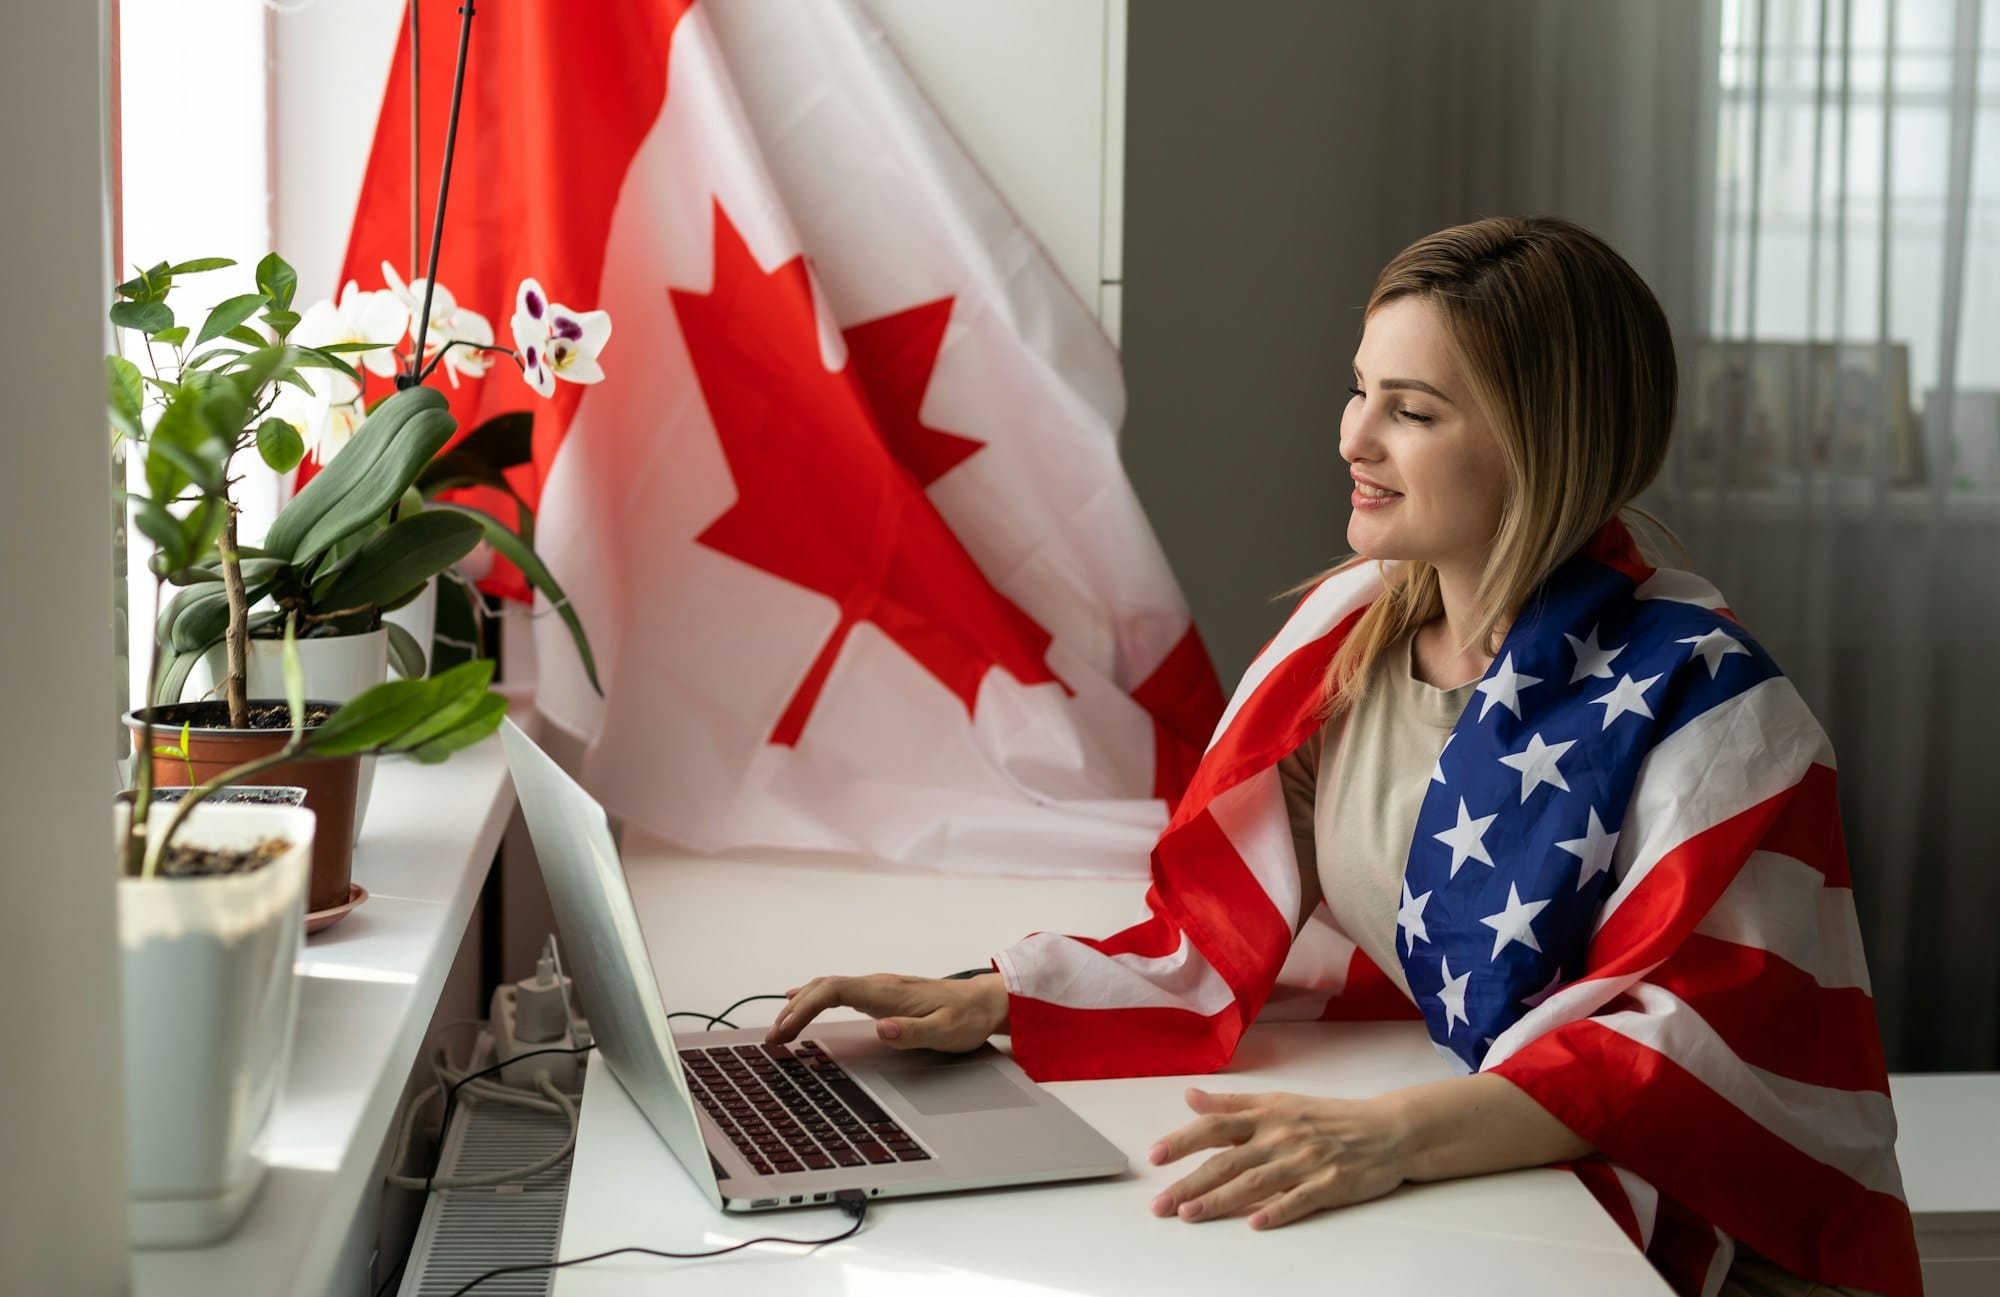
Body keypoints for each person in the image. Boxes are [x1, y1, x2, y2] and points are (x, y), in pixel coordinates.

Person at [766, 217, 1921, 1297]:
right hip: (1501, 1193)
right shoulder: (1348, 633)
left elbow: (1695, 1048)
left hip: (1691, 1246)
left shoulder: (1711, 704)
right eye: (1359, 388)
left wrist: (1397, 1134)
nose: (1350, 437)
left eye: (1410, 410)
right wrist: (990, 1001)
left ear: (1543, 440)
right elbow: (1225, 923)